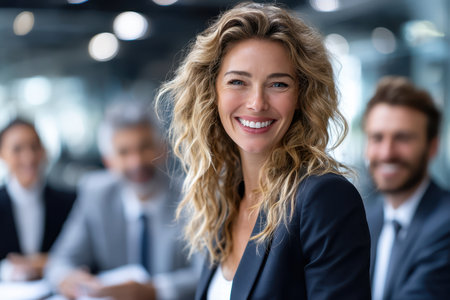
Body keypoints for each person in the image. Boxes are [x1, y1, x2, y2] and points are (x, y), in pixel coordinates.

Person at [156, 2, 371, 299]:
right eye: (237, 82)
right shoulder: (223, 200)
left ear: (301, 96)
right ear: (212, 92)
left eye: (278, 84)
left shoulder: (323, 199)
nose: (257, 103)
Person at [45, 102, 198, 300]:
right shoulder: (96, 194)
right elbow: (60, 260)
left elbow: (206, 273)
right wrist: (69, 279)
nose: (136, 162)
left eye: (144, 148)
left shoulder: (193, 197)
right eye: (124, 152)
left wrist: (153, 291)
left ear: (164, 150)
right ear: (109, 161)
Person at [363, 76, 450, 300]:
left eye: (402, 138)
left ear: (432, 146)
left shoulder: (445, 224)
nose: (386, 153)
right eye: (377, 138)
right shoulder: (367, 220)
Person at [0, 119, 75, 281]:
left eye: (34, 147)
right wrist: (6, 271)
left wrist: (46, 264)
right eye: (17, 149)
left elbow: (83, 257)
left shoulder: (69, 203)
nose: (29, 157)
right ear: (2, 154)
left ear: (44, 150)